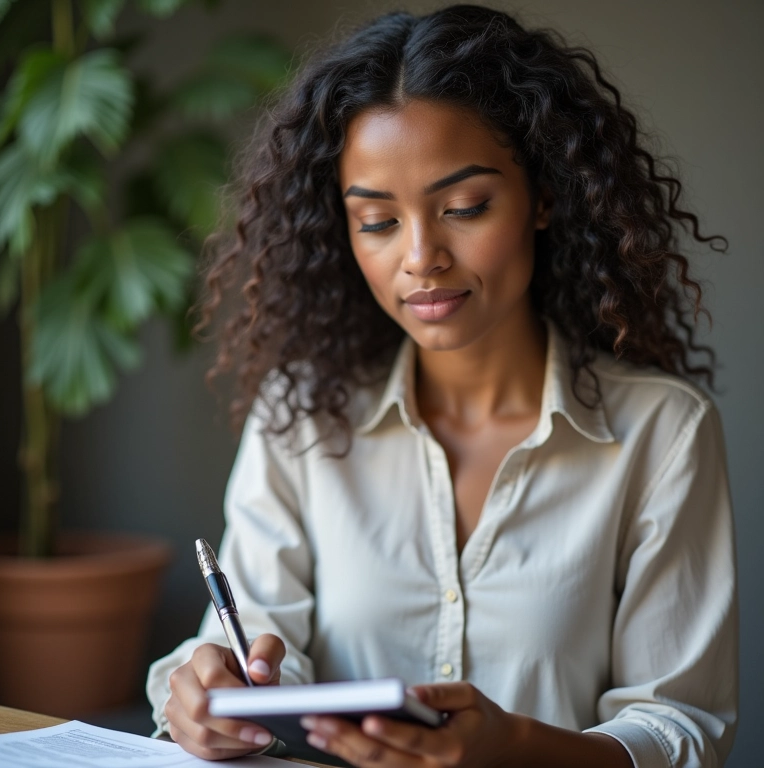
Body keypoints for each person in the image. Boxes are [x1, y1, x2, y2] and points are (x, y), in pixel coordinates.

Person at [146, 5, 738, 767]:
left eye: (464, 208)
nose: (421, 256)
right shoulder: (304, 417)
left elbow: (678, 730)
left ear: (544, 196)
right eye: (377, 221)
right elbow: (255, 653)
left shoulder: (661, 433)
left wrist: (514, 746)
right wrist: (209, 699)